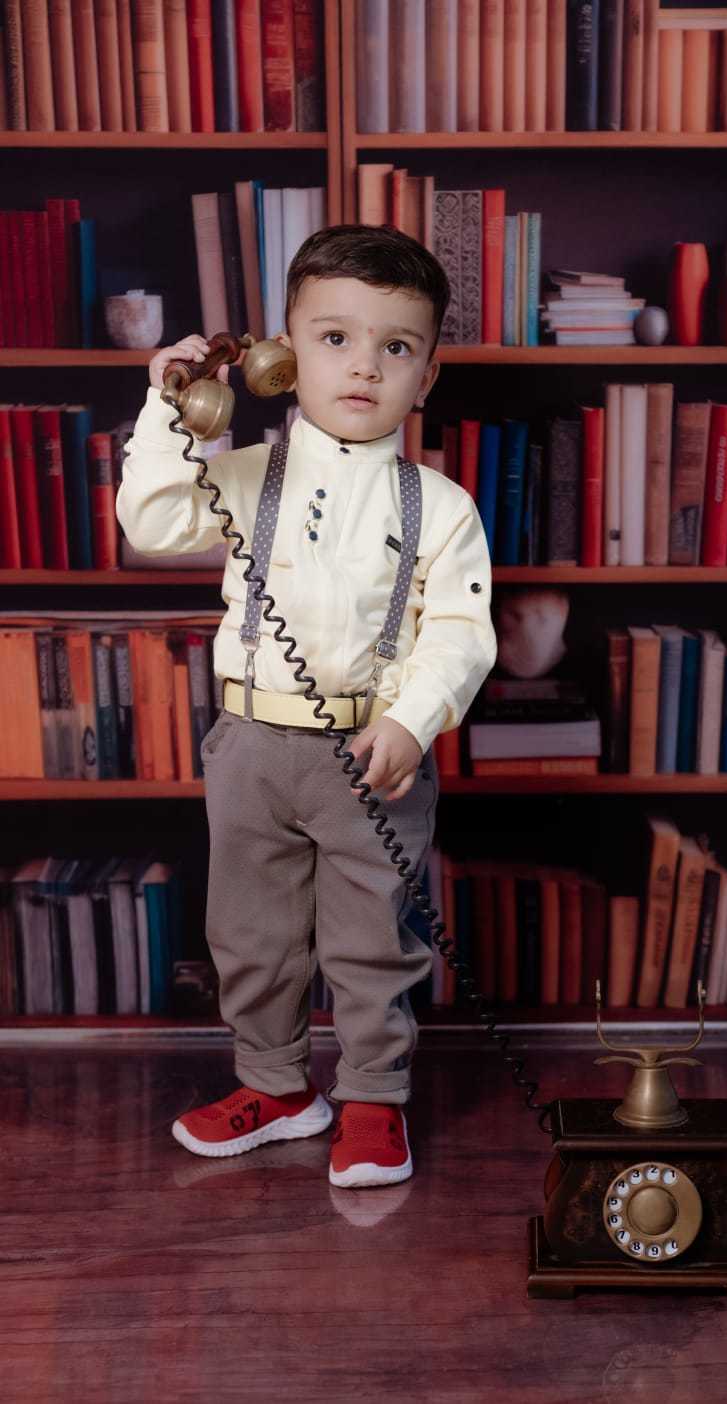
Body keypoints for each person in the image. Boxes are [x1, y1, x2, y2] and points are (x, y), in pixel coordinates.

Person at [116, 224, 498, 1187]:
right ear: (283, 356)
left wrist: (413, 720)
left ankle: (373, 1097)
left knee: (372, 938)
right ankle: (278, 1086)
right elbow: (152, 522)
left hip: (372, 752)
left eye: (395, 346)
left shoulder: (443, 507)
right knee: (251, 935)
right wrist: (170, 406)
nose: (364, 366)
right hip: (251, 744)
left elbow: (461, 632)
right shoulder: (245, 475)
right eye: (334, 338)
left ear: (427, 376)